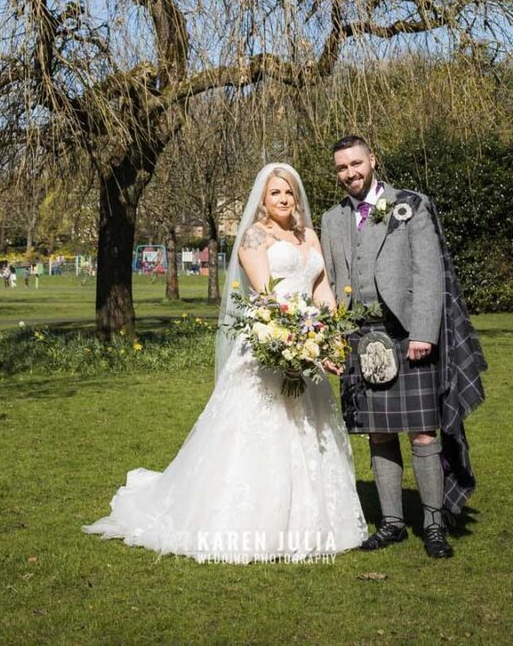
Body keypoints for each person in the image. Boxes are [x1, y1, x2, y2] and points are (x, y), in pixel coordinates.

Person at [85, 163, 364, 562]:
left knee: (309, 430)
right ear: (263, 200)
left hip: (308, 344)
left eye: (289, 193)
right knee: (262, 431)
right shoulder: (254, 236)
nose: (284, 199)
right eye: (275, 194)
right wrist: (291, 341)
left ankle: (310, 524)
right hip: (272, 342)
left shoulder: (308, 235)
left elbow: (322, 290)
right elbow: (266, 295)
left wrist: (330, 337)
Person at [322, 135, 487, 559]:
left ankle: (433, 524)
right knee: (377, 432)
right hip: (360, 336)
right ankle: (392, 523)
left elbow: (429, 273)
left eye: (356, 163)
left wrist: (424, 332)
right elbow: (333, 281)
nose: (350, 173)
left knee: (421, 431)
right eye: (342, 168)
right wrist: (335, 335)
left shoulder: (410, 205)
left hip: (406, 333)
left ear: (372, 160)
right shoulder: (332, 219)